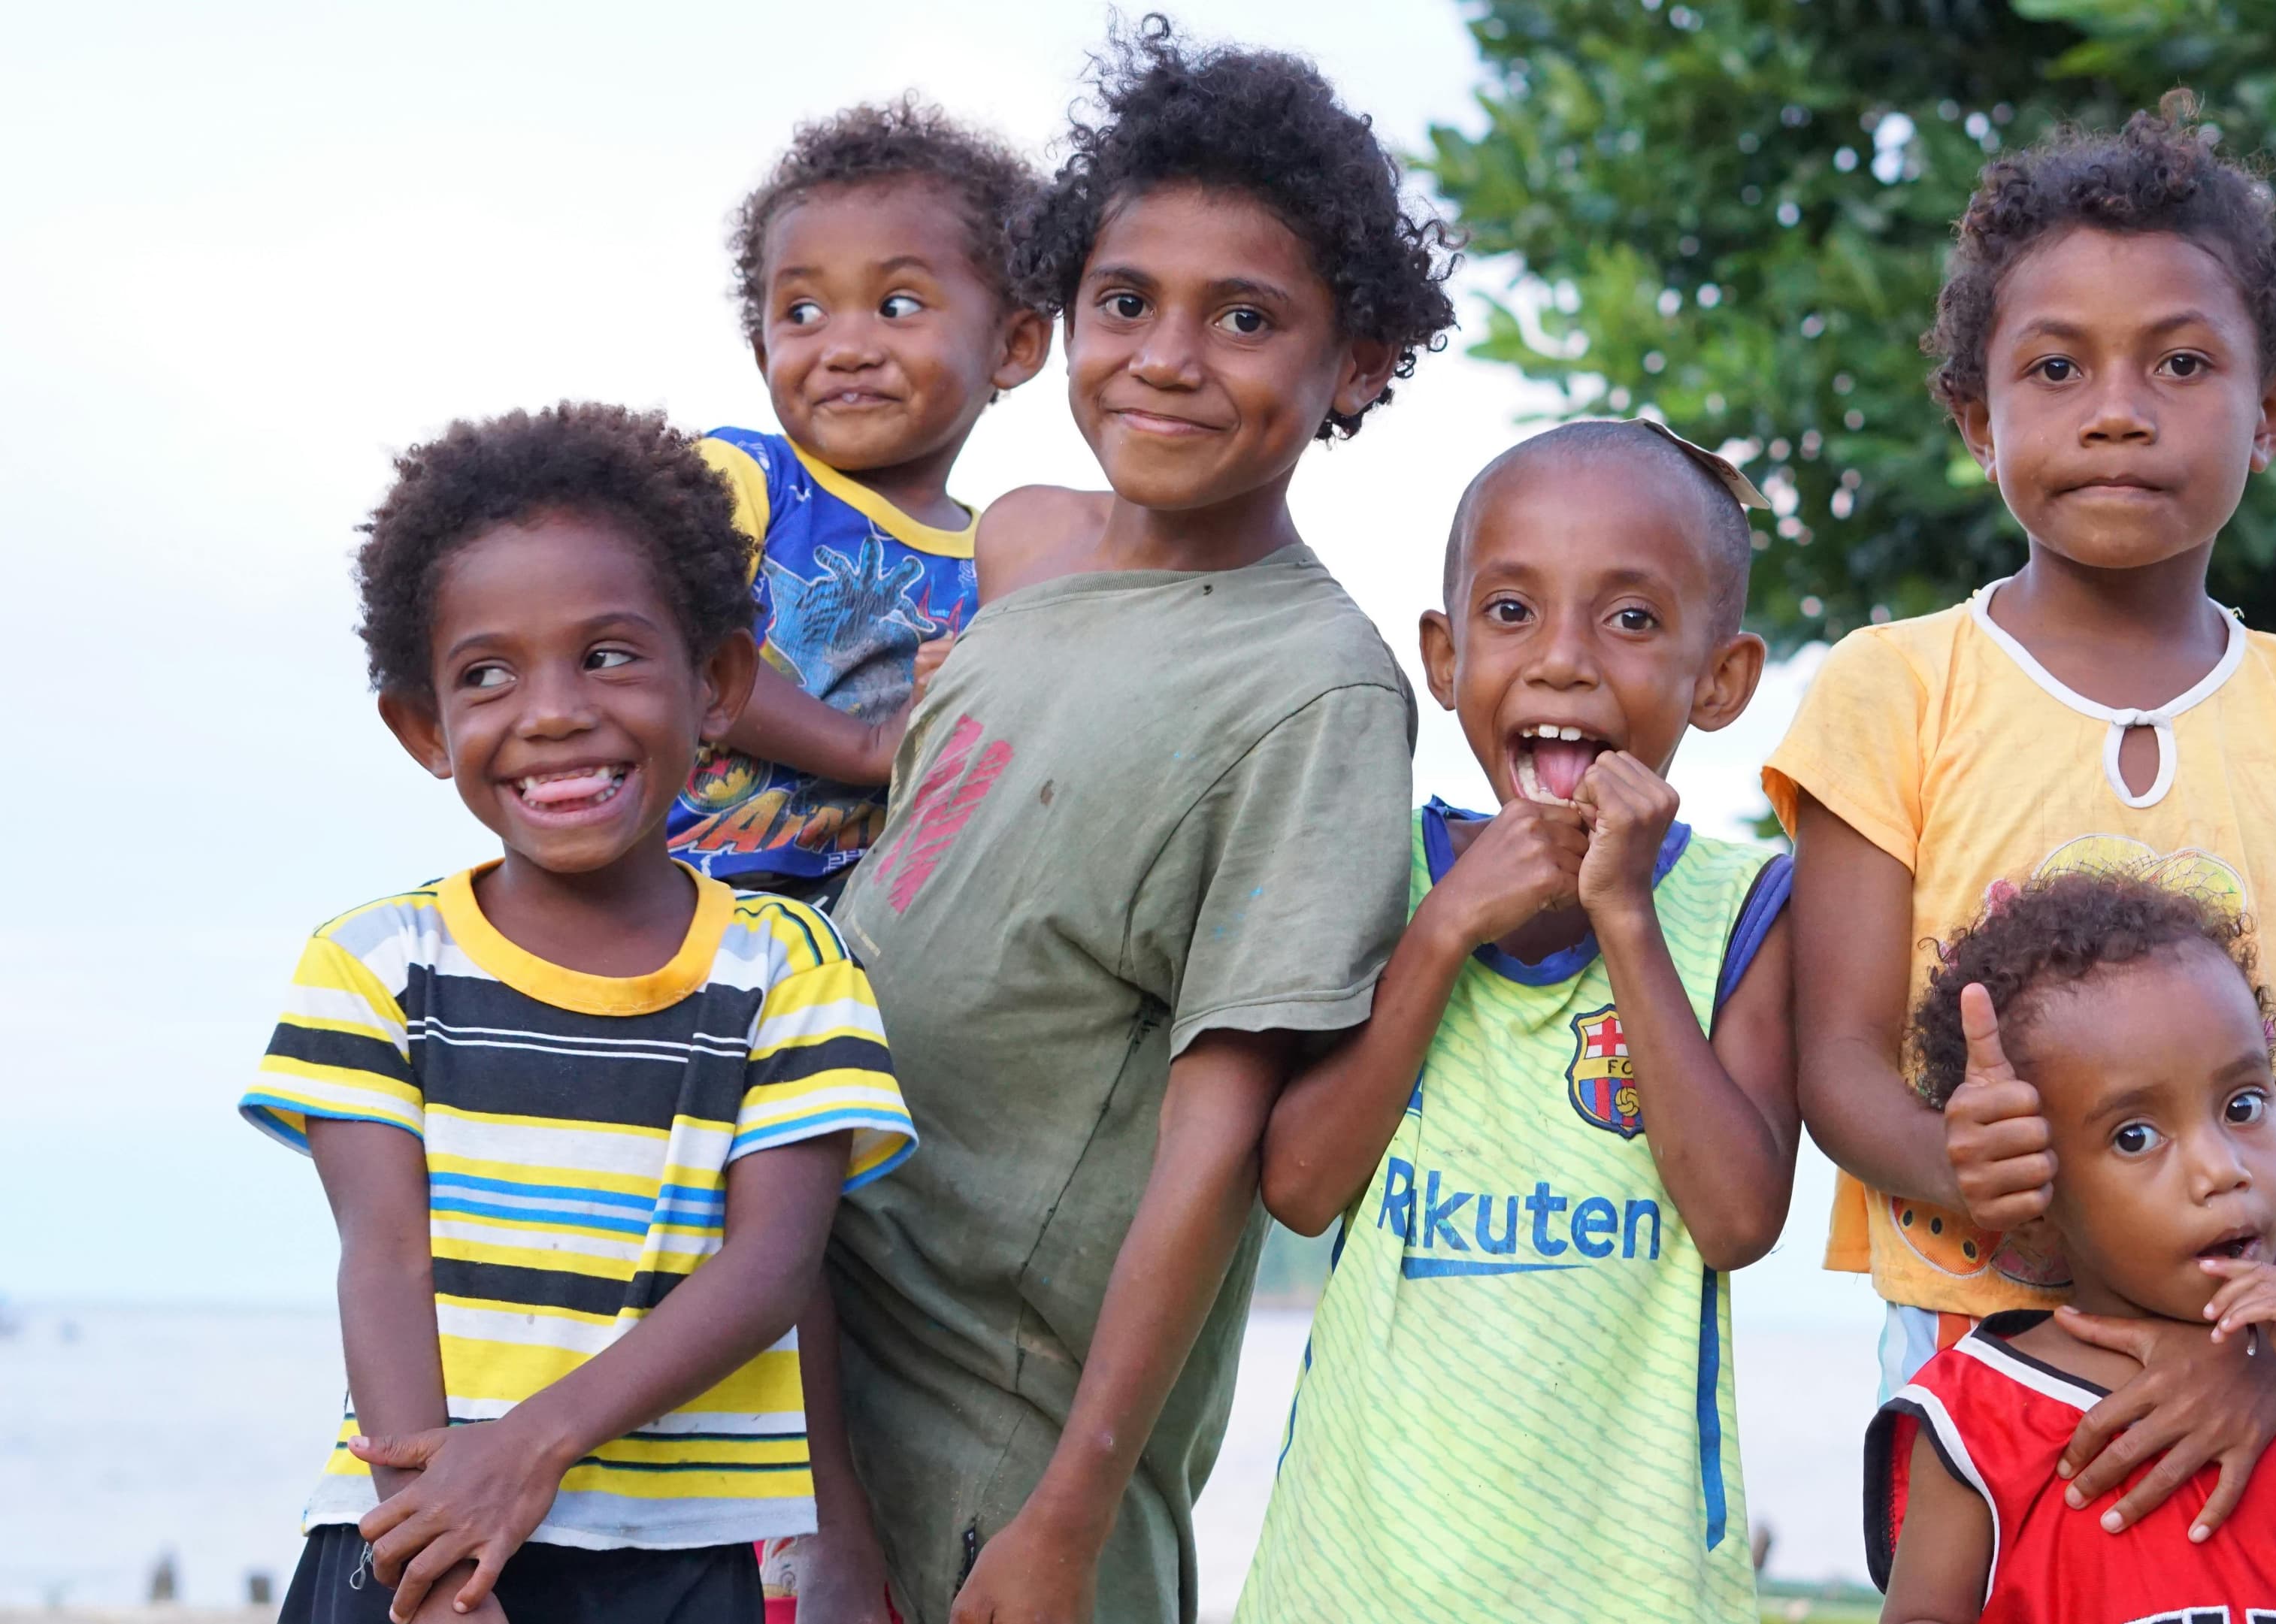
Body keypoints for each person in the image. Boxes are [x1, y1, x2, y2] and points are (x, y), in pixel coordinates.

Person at [804, 21, 1458, 1624]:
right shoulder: (1021, 572)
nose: (1167, 357)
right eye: (1126, 302)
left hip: (1001, 1452)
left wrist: (1070, 1512)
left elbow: (1218, 1141)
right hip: (809, 1368)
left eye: (1246, 318)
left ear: (1357, 361)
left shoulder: (1314, 692)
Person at [1764, 95, 2276, 1543]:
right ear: (1977, 420)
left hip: (2260, 1360)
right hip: (1982, 1344)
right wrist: (1959, 1169)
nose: (2115, 407)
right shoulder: (1891, 692)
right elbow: (1831, 1057)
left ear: (2269, 414)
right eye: (2054, 366)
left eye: (2182, 361)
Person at [239, 404, 916, 1624]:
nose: (551, 710)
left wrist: (528, 1450)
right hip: (409, 1542)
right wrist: (441, 1547)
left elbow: (769, 1264)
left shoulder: (790, 968)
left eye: (608, 654)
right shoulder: (375, 962)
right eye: (488, 674)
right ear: (425, 729)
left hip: (673, 1561)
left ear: (716, 683)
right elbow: (384, 1258)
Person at [1237, 421, 1799, 1623]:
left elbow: (1740, 1218)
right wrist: (1442, 930)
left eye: (1632, 620)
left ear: (1723, 679)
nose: (1562, 661)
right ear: (1442, 657)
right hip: (1355, 1575)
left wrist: (1627, 921)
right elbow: (1298, 1184)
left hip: (1631, 1587)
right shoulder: (1374, 868)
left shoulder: (1740, 905)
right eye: (1510, 613)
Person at [1870, 871, 2276, 1623]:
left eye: (2243, 1105)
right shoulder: (1981, 1411)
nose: (2223, 1169)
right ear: (2036, 1199)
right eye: (2135, 1136)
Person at [670, 97, 1053, 912]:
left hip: (875, 941)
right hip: (688, 908)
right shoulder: (742, 476)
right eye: (802, 312)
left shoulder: (1012, 560)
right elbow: (681, 646)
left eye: (898, 306)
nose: (845, 347)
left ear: (1014, 344)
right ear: (763, 346)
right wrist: (870, 744)